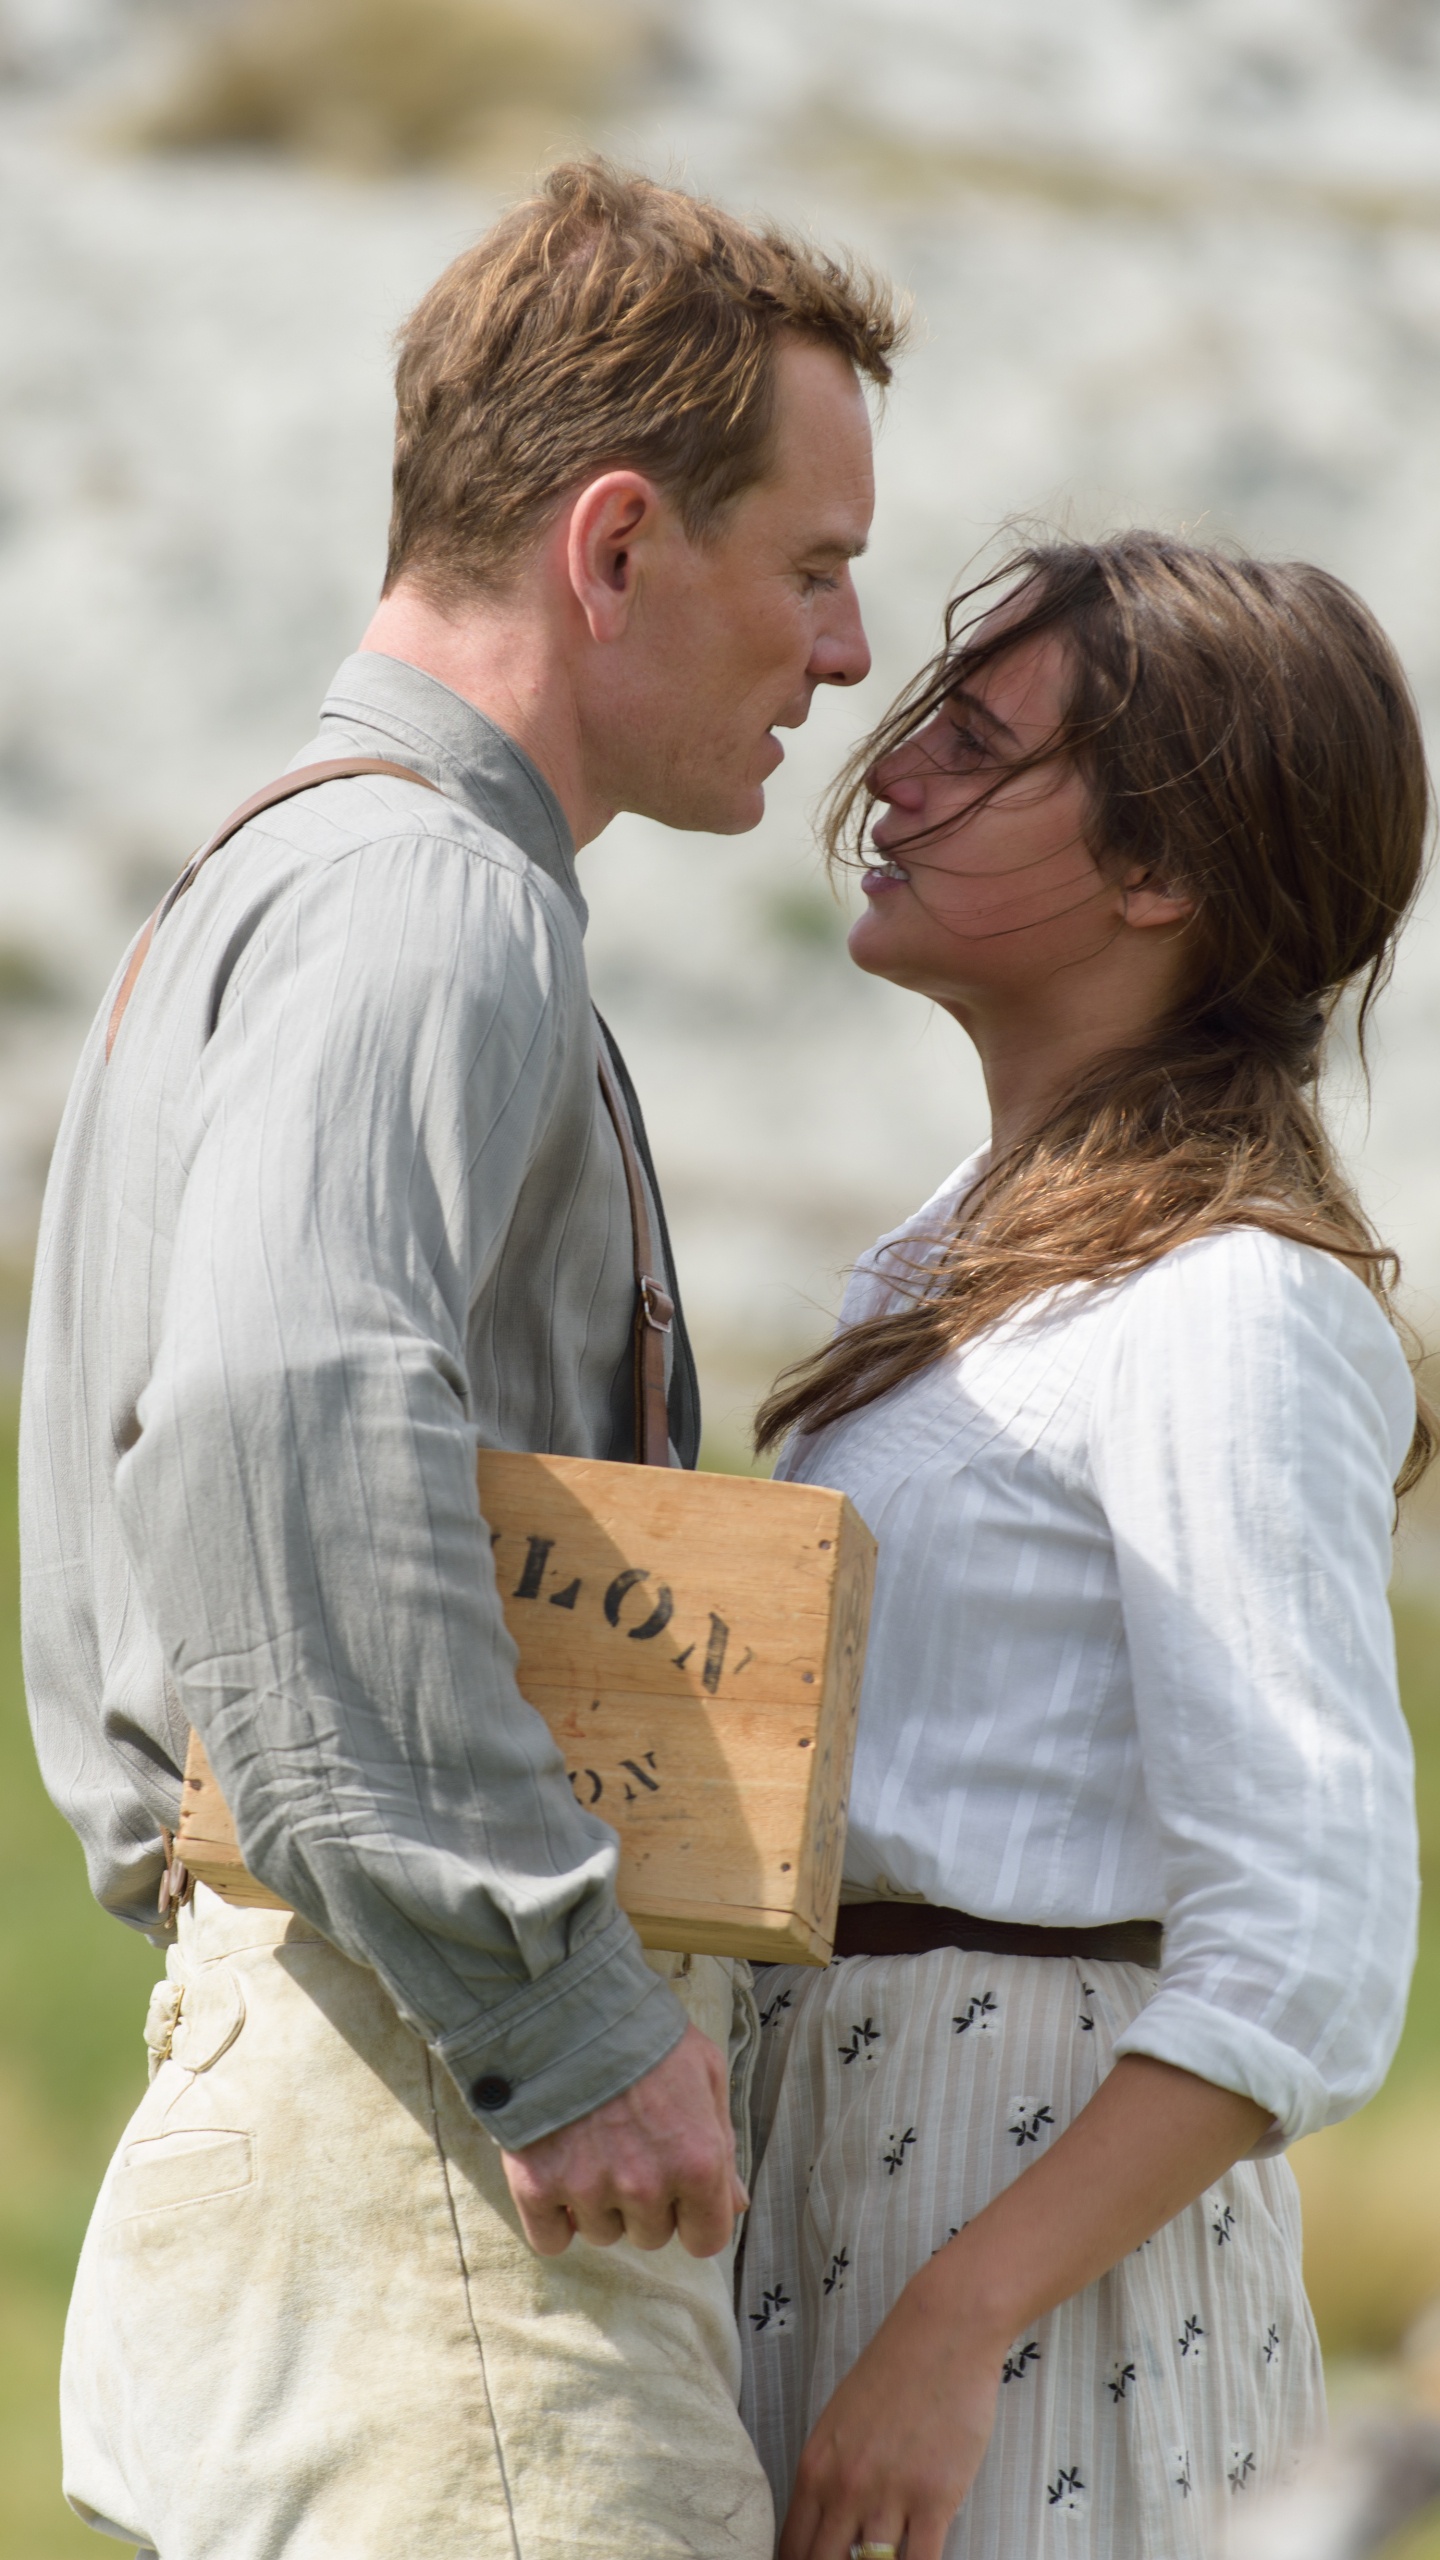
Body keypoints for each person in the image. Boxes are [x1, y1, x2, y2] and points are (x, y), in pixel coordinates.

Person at [19, 160, 899, 2558]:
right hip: (448, 2150)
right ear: (615, 546)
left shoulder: (275, 878)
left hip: (333, 2085)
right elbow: (279, 1407)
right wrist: (563, 2014)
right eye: (813, 565)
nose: (847, 651)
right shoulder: (433, 894)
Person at [739, 531, 1429, 2560]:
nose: (893, 770)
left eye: (978, 742)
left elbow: (1308, 1944)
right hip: (845, 2168)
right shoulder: (952, 1252)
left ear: (1162, 872)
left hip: (1024, 2235)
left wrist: (960, 2320)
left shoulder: (1231, 1299)